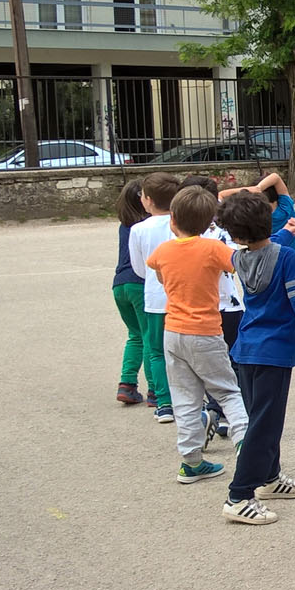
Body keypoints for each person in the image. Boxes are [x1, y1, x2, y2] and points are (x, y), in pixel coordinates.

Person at [144, 186, 251, 484]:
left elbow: (160, 275)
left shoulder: (163, 251)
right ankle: (245, 445)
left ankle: (191, 460)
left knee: (185, 398)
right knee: (228, 391)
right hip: (205, 330)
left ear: (172, 218)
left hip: (173, 330)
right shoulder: (212, 248)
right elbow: (238, 265)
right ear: (208, 223)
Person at [214, 192, 295, 525]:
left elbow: (268, 245)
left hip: (245, 349)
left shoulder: (238, 257)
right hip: (275, 352)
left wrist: (286, 233)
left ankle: (269, 477)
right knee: (264, 426)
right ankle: (239, 494)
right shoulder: (287, 259)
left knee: (260, 417)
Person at [128, 172, 182, 423]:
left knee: (157, 351)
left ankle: (164, 402)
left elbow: (139, 268)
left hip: (155, 296)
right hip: (182, 294)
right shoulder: (181, 223)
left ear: (148, 200)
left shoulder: (139, 229)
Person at [220, 172, 295, 271]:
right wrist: (259, 187)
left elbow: (221, 195)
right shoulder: (285, 206)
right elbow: (275, 177)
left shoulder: (256, 216)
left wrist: (250, 189)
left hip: (270, 256)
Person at [113, 179, 151, 406]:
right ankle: (155, 389)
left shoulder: (124, 224)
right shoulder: (148, 226)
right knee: (150, 337)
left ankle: (127, 384)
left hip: (120, 284)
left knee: (135, 335)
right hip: (139, 284)